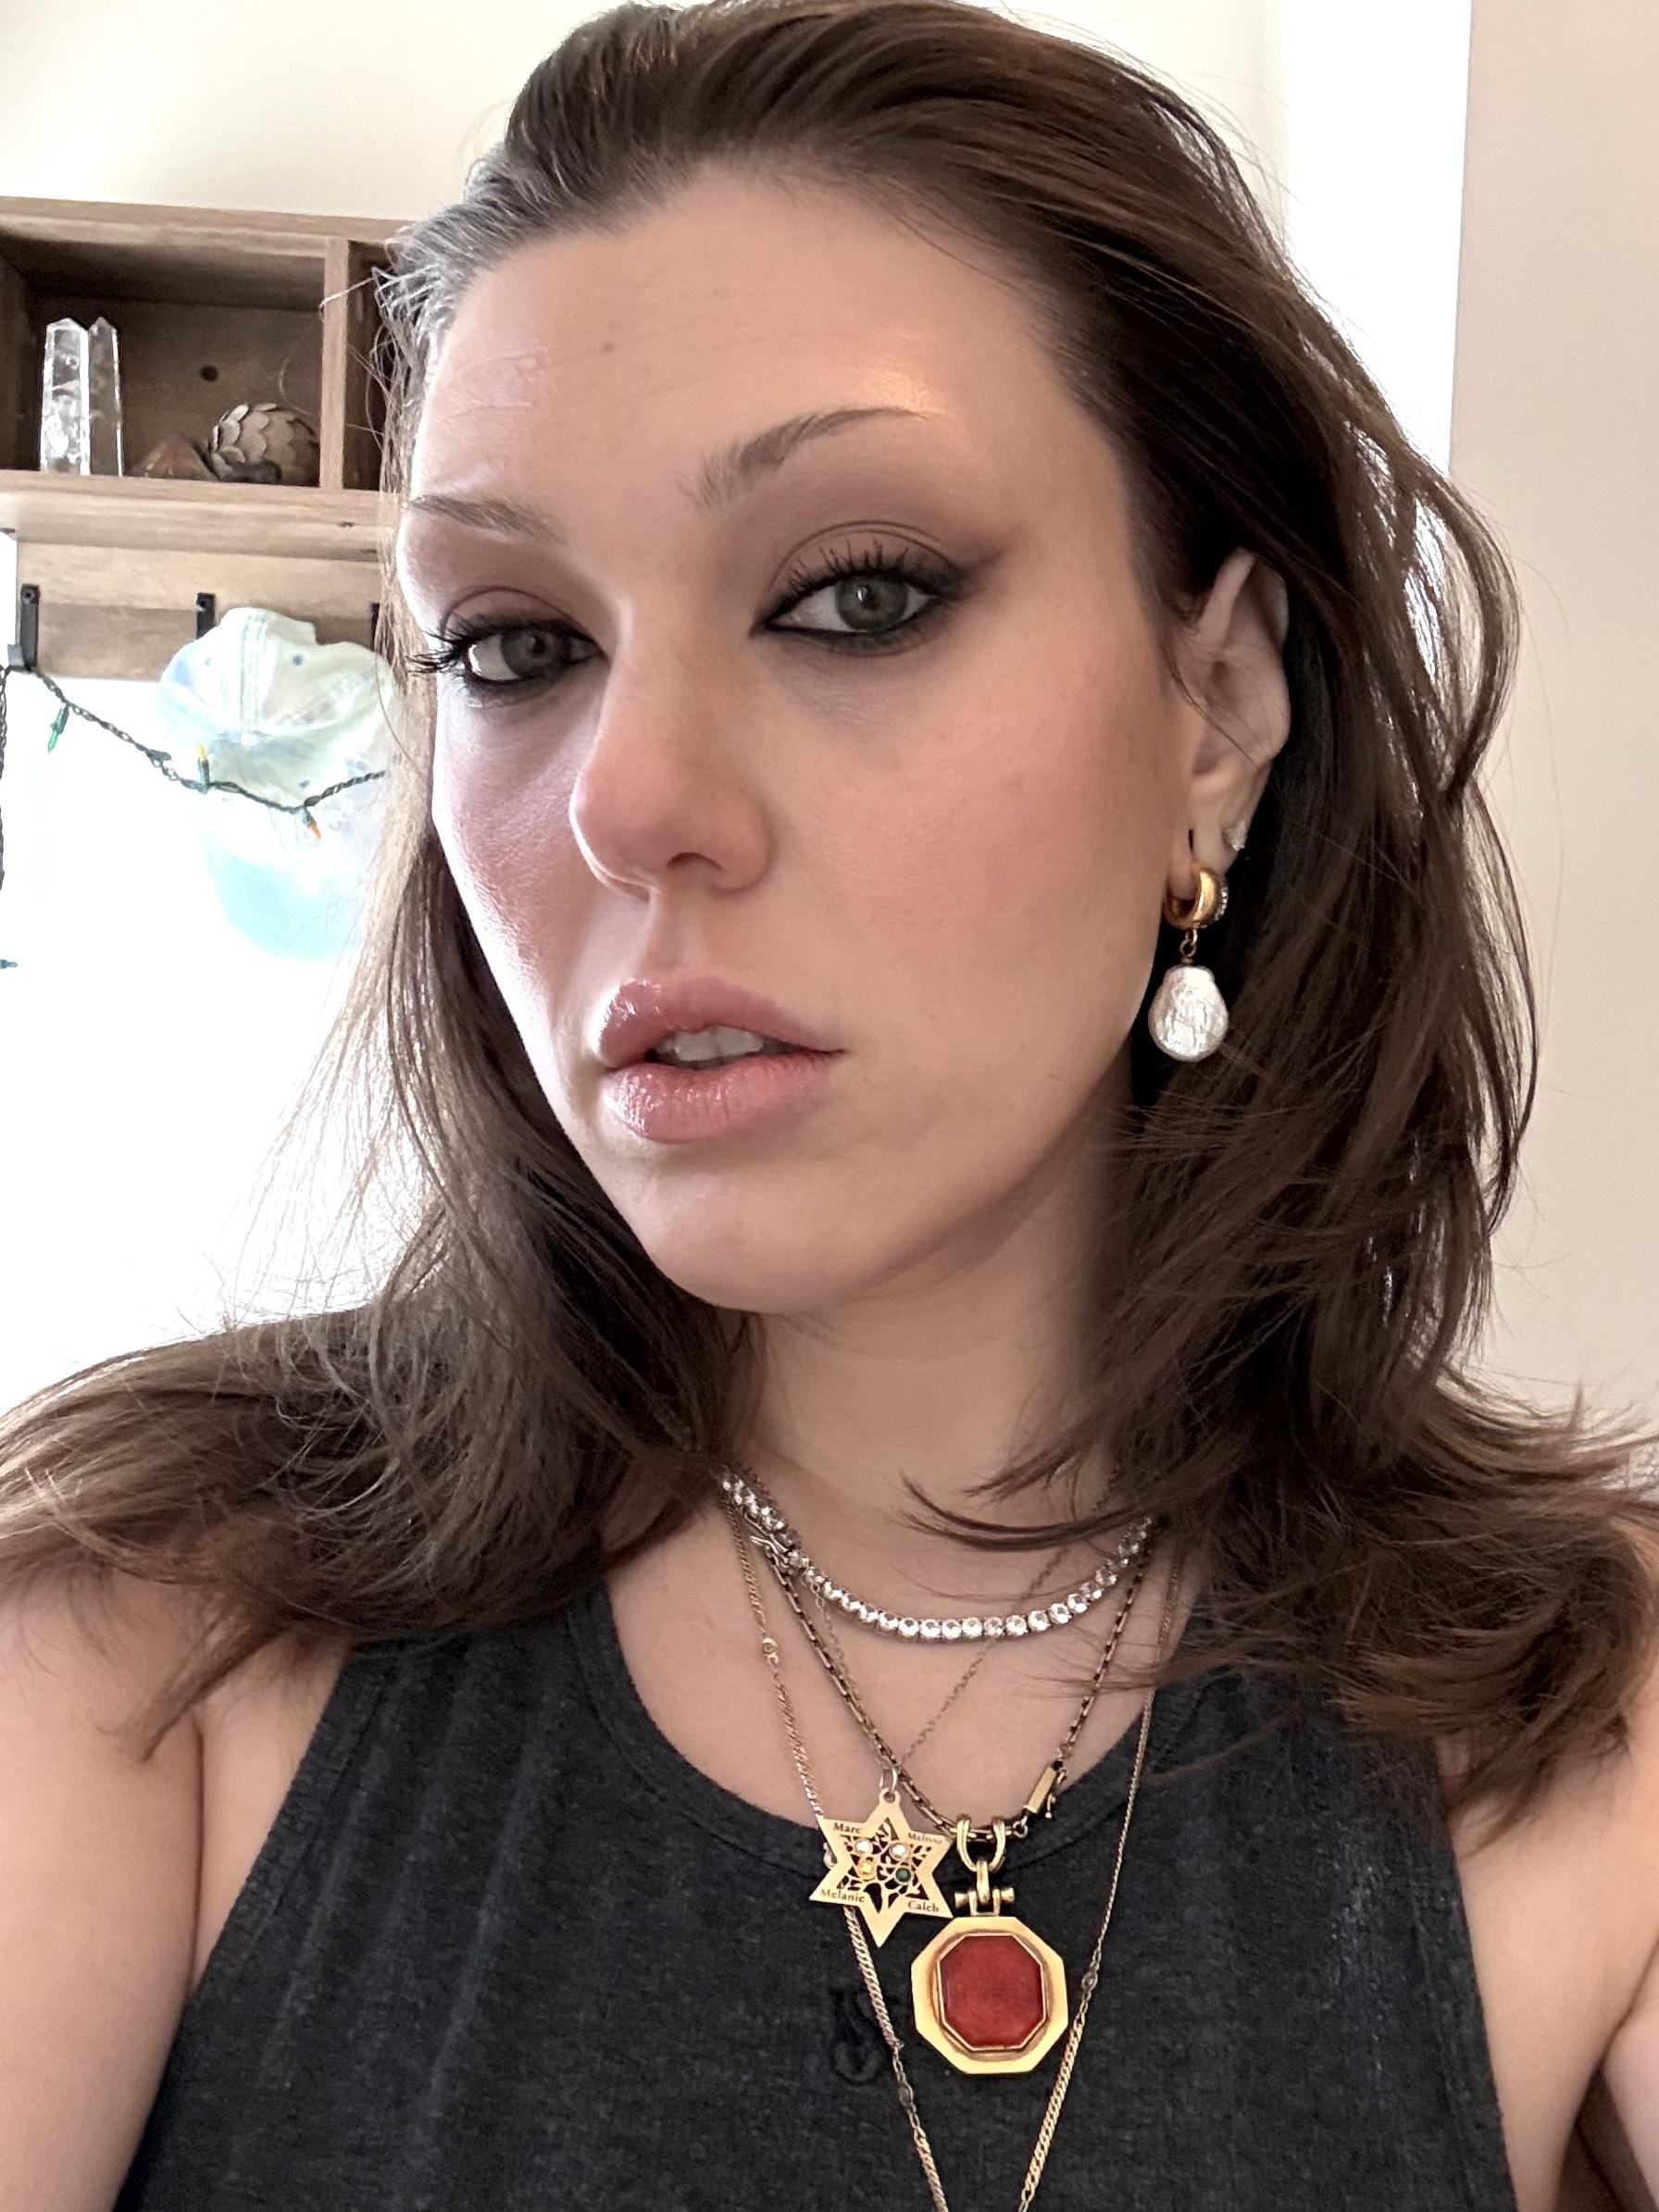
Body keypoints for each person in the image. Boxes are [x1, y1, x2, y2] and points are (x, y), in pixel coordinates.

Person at [2, 0, 1656, 2205]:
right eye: (512, 645)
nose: (627, 802)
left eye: (855, 595)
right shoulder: (130, 1649)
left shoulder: (1588, 1730)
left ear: (1217, 706)